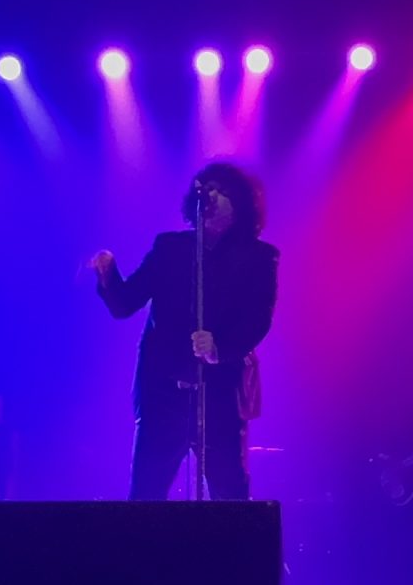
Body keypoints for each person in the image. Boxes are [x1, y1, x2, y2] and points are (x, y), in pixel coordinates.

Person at [91, 161, 280, 500]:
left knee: (230, 495)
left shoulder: (258, 257)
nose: (212, 196)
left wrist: (219, 347)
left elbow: (257, 320)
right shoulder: (170, 248)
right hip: (162, 393)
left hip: (219, 393)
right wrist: (108, 276)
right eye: (207, 189)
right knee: (146, 494)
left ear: (240, 203)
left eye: (222, 191)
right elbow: (125, 303)